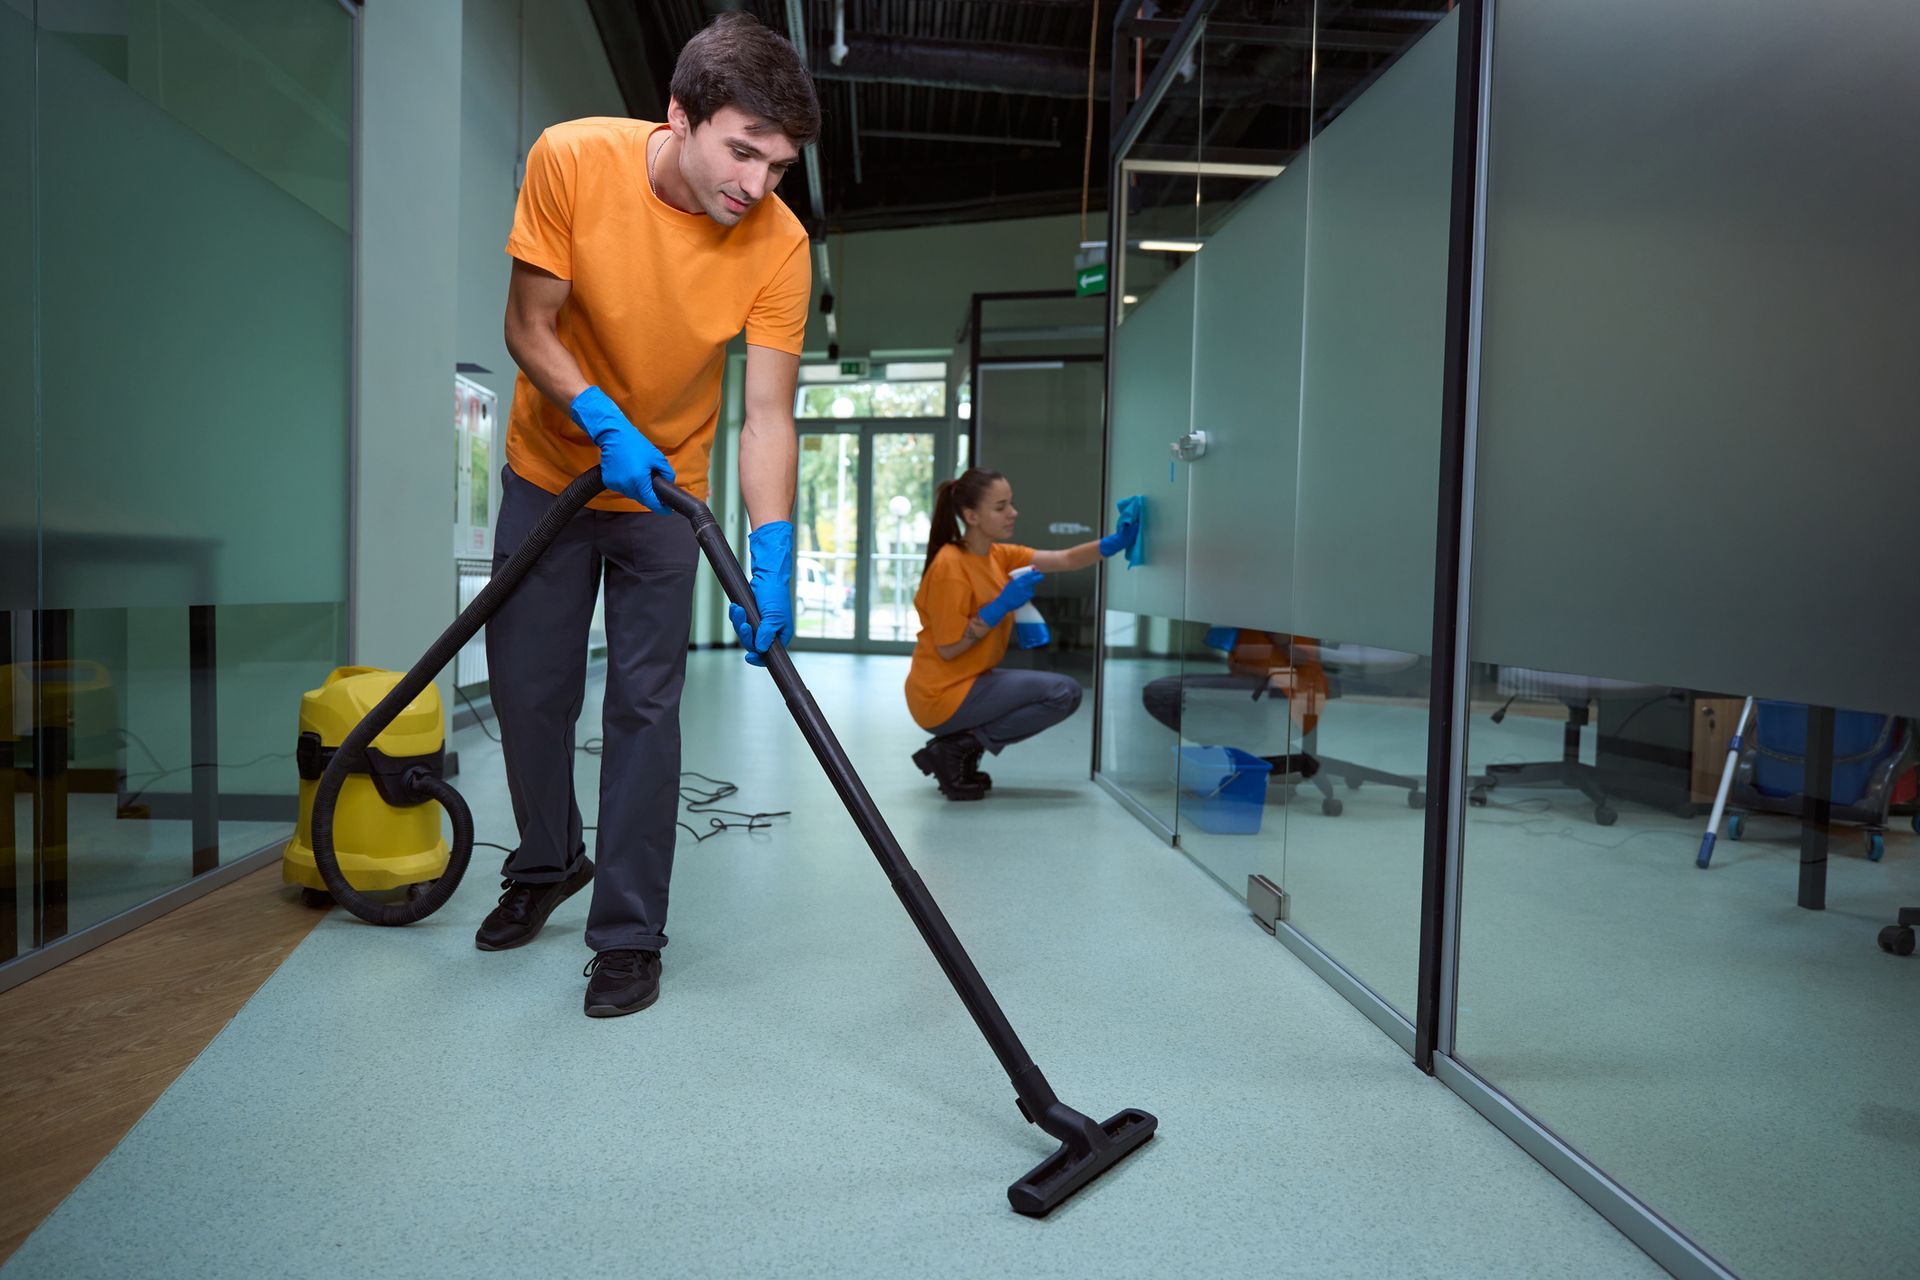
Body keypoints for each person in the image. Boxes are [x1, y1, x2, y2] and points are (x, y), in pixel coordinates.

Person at [478, 14, 817, 1018]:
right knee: (530, 692)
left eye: (779, 165)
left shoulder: (779, 245)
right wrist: (596, 417)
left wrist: (773, 549)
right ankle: (547, 859)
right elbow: (526, 325)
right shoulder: (573, 160)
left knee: (645, 709)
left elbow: (766, 413)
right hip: (553, 470)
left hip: (667, 495)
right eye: (741, 151)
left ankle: (629, 930)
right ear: (679, 115)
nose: (755, 186)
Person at [903, 468, 1139, 799]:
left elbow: (1065, 558)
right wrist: (998, 607)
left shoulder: (997, 555)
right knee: (1062, 692)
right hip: (941, 695)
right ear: (971, 515)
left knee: (1064, 692)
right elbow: (948, 649)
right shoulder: (950, 567)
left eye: (1011, 503)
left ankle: (958, 749)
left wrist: (1114, 543)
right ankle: (957, 749)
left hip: (969, 681)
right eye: (1000, 507)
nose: (1012, 513)